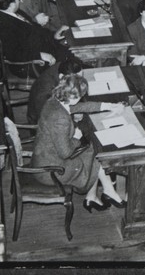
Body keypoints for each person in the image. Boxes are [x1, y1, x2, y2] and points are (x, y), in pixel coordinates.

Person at [31, 74, 126, 212]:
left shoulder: (54, 101)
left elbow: (81, 107)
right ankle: (104, 192)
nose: (81, 98)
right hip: (52, 170)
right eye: (80, 96)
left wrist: (109, 106)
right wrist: (76, 137)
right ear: (74, 96)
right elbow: (65, 153)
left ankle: (99, 194)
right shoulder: (60, 118)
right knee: (95, 153)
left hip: (44, 157)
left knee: (93, 149)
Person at [0, 0, 70, 68]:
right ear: (11, 5)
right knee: (76, 58)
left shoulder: (15, 12)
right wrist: (39, 55)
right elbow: (13, 54)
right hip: (33, 62)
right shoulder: (2, 25)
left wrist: (54, 35)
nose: (20, 0)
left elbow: (36, 29)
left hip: (46, 47)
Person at [26, 56, 84, 125]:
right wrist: (73, 114)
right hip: (43, 124)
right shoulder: (46, 92)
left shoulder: (63, 67)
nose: (79, 82)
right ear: (61, 76)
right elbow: (50, 119)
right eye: (76, 80)